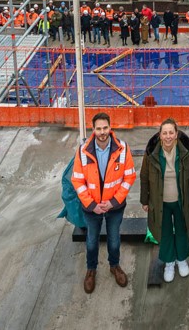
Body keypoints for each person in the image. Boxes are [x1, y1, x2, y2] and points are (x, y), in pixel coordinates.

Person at [71, 112, 136, 293]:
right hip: (91, 209)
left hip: (114, 207)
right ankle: (91, 270)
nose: (102, 132)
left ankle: (114, 266)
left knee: (114, 239)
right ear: (93, 130)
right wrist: (93, 205)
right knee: (92, 241)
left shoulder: (122, 149)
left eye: (105, 128)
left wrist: (113, 202)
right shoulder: (83, 151)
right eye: (98, 129)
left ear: (110, 127)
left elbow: (129, 176)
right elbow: (77, 180)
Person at [140, 119, 189, 283]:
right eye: (165, 133)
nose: (168, 136)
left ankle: (181, 259)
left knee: (182, 229)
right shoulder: (151, 154)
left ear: (177, 134)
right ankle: (169, 262)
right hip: (160, 202)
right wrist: (145, 200)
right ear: (160, 135)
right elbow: (144, 177)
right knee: (164, 232)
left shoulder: (187, 152)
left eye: (171, 132)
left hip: (181, 200)